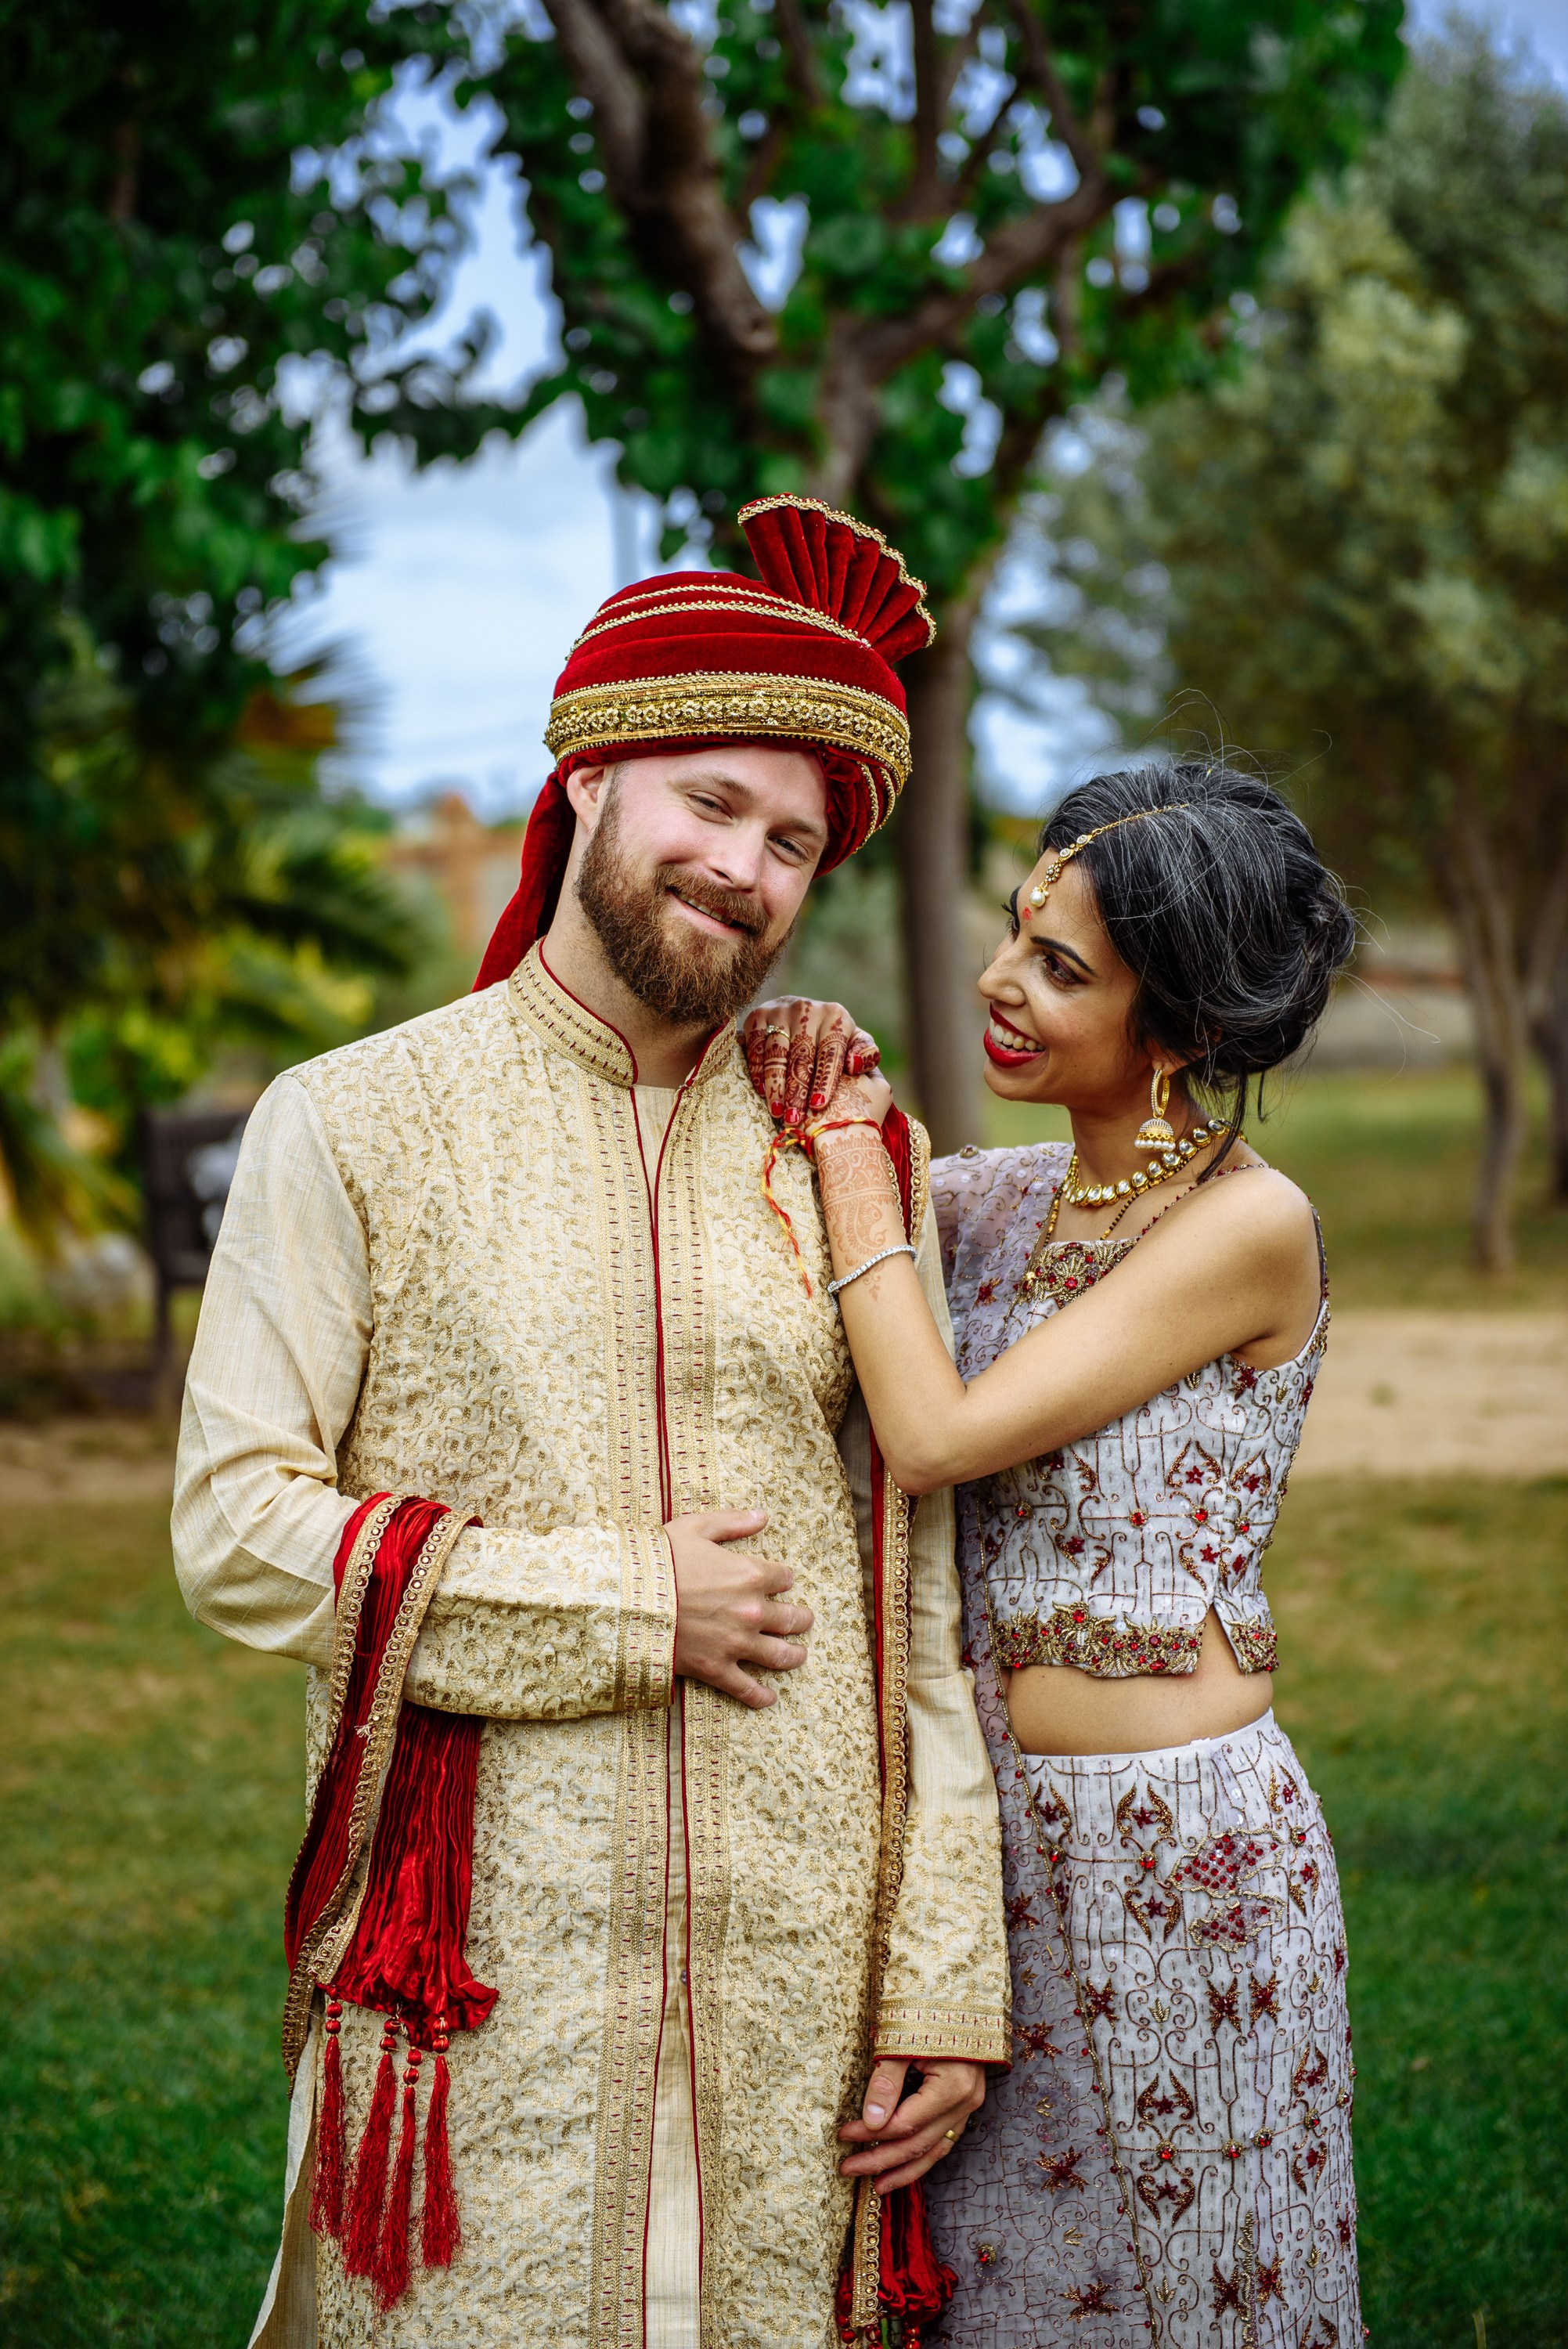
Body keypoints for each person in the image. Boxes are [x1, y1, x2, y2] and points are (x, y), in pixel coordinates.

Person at [171, 495, 1011, 2349]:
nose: (749, 871)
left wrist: (944, 1971)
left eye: (796, 843)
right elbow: (236, 1530)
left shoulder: (840, 1145)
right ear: (595, 778)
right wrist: (629, 1606)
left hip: (799, 1986)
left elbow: (919, 1570)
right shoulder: (355, 1122)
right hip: (481, 1986)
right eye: (713, 804)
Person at [743, 760, 1361, 2347]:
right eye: (1017, 933)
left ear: (1192, 1031)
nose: (1000, 983)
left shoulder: (1245, 1225)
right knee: (999, 2296)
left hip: (1183, 1867)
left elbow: (940, 1431)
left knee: (1198, 2296)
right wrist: (815, 1080)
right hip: (979, 1849)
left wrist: (856, 1161)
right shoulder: (991, 1205)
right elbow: (797, 1240)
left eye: (1062, 969)